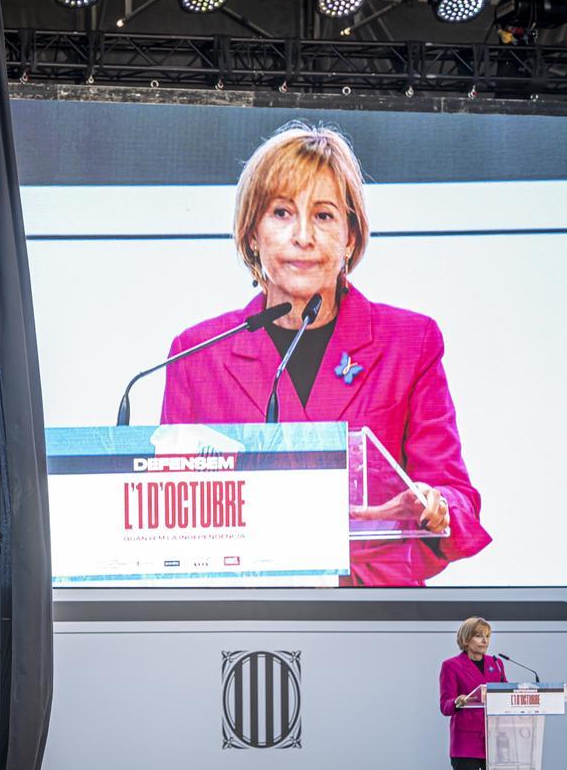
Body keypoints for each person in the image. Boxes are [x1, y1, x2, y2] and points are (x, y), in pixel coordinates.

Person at [159, 121, 490, 586]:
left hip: (372, 618)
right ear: (252, 233)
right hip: (242, 618)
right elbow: (177, 513)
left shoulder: (410, 344)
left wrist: (434, 506)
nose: (303, 236)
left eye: (324, 215)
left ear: (350, 237)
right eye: (280, 213)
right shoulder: (196, 356)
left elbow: (455, 495)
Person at [439, 616, 507, 770]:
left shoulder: (497, 664)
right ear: (466, 639)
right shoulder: (451, 666)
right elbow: (445, 706)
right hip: (466, 743)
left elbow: (505, 695)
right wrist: (457, 701)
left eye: (487, 636)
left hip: (493, 741)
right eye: (479, 636)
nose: (485, 641)